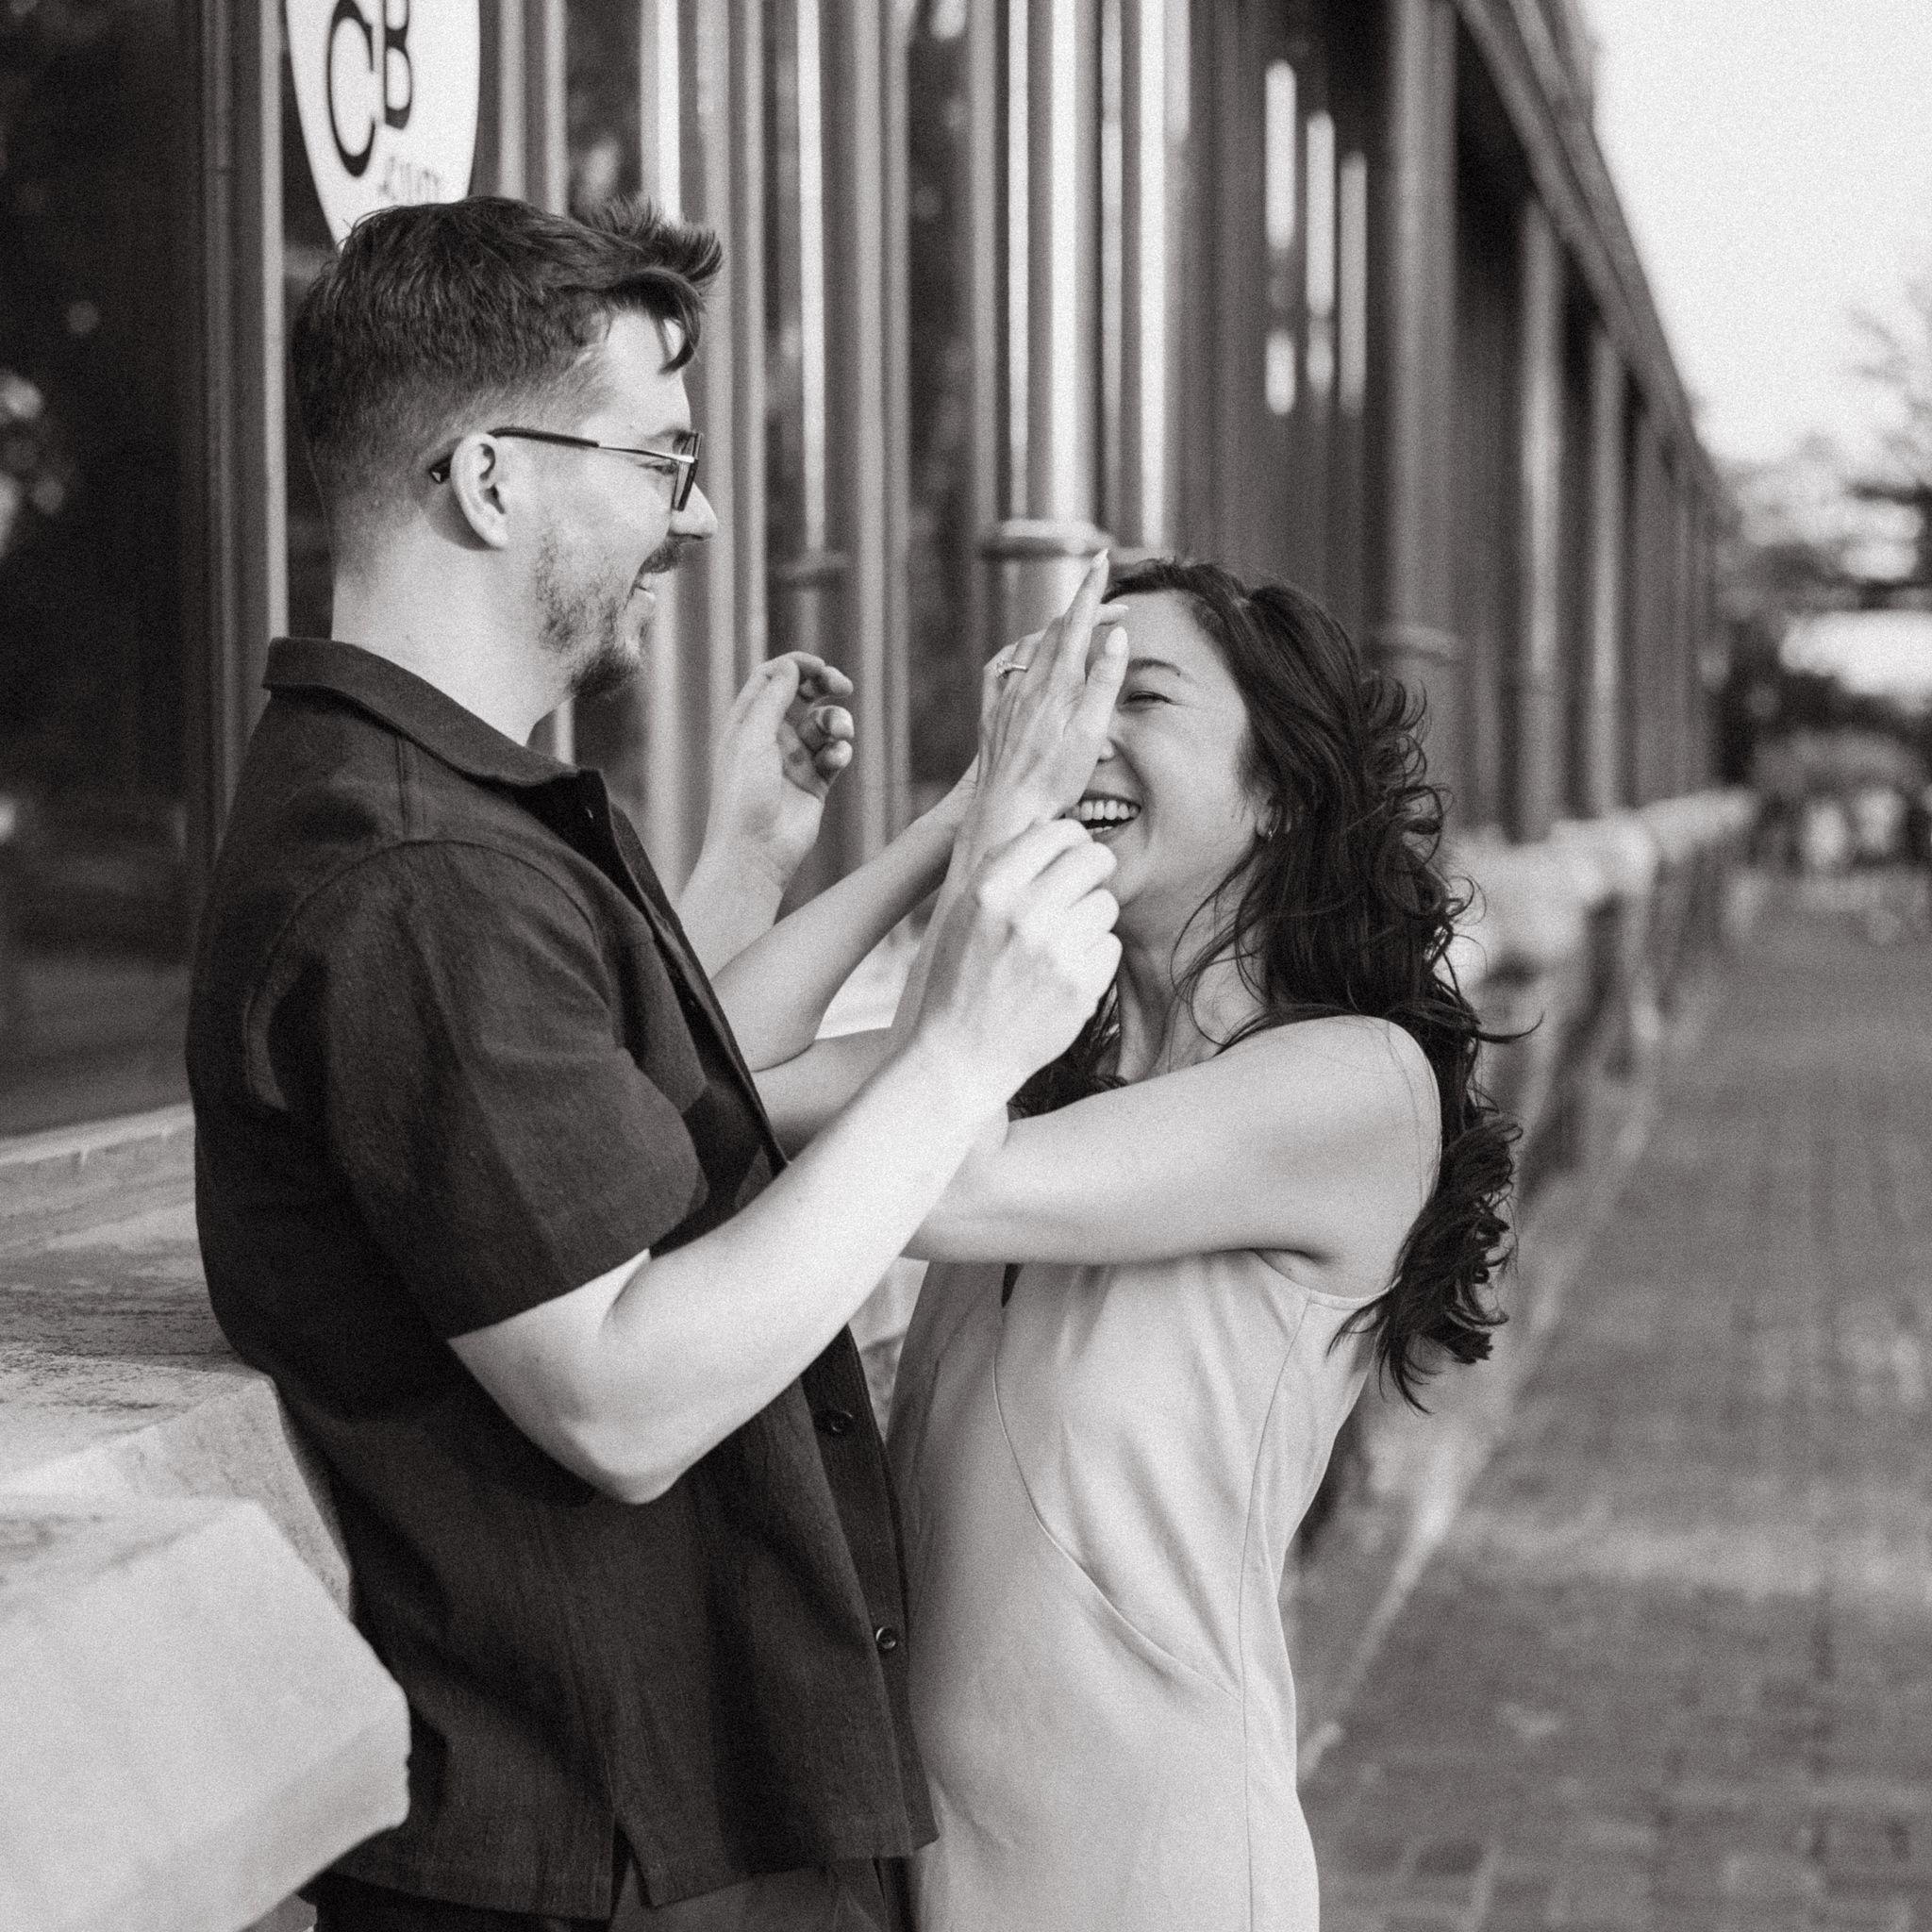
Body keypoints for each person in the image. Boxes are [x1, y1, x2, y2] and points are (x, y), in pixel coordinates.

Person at [185, 193, 1127, 1931]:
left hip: (648, 1823)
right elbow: (624, 1398)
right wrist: (959, 1054)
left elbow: (665, 1114)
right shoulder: (419, 876)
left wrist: (891, 843)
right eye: (659, 460)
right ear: (489, 480)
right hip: (599, 1850)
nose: (691, 518)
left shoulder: (454, 816)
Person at [753, 558, 1516, 1929]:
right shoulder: (1033, 1072)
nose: (1076, 735)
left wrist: (1008, 831)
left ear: (1280, 790)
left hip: (1147, 1870)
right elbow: (722, 1073)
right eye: (1060, 696)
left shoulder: (1355, 1084)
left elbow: (916, 1183)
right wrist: (957, 815)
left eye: (1136, 695)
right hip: (932, 1870)